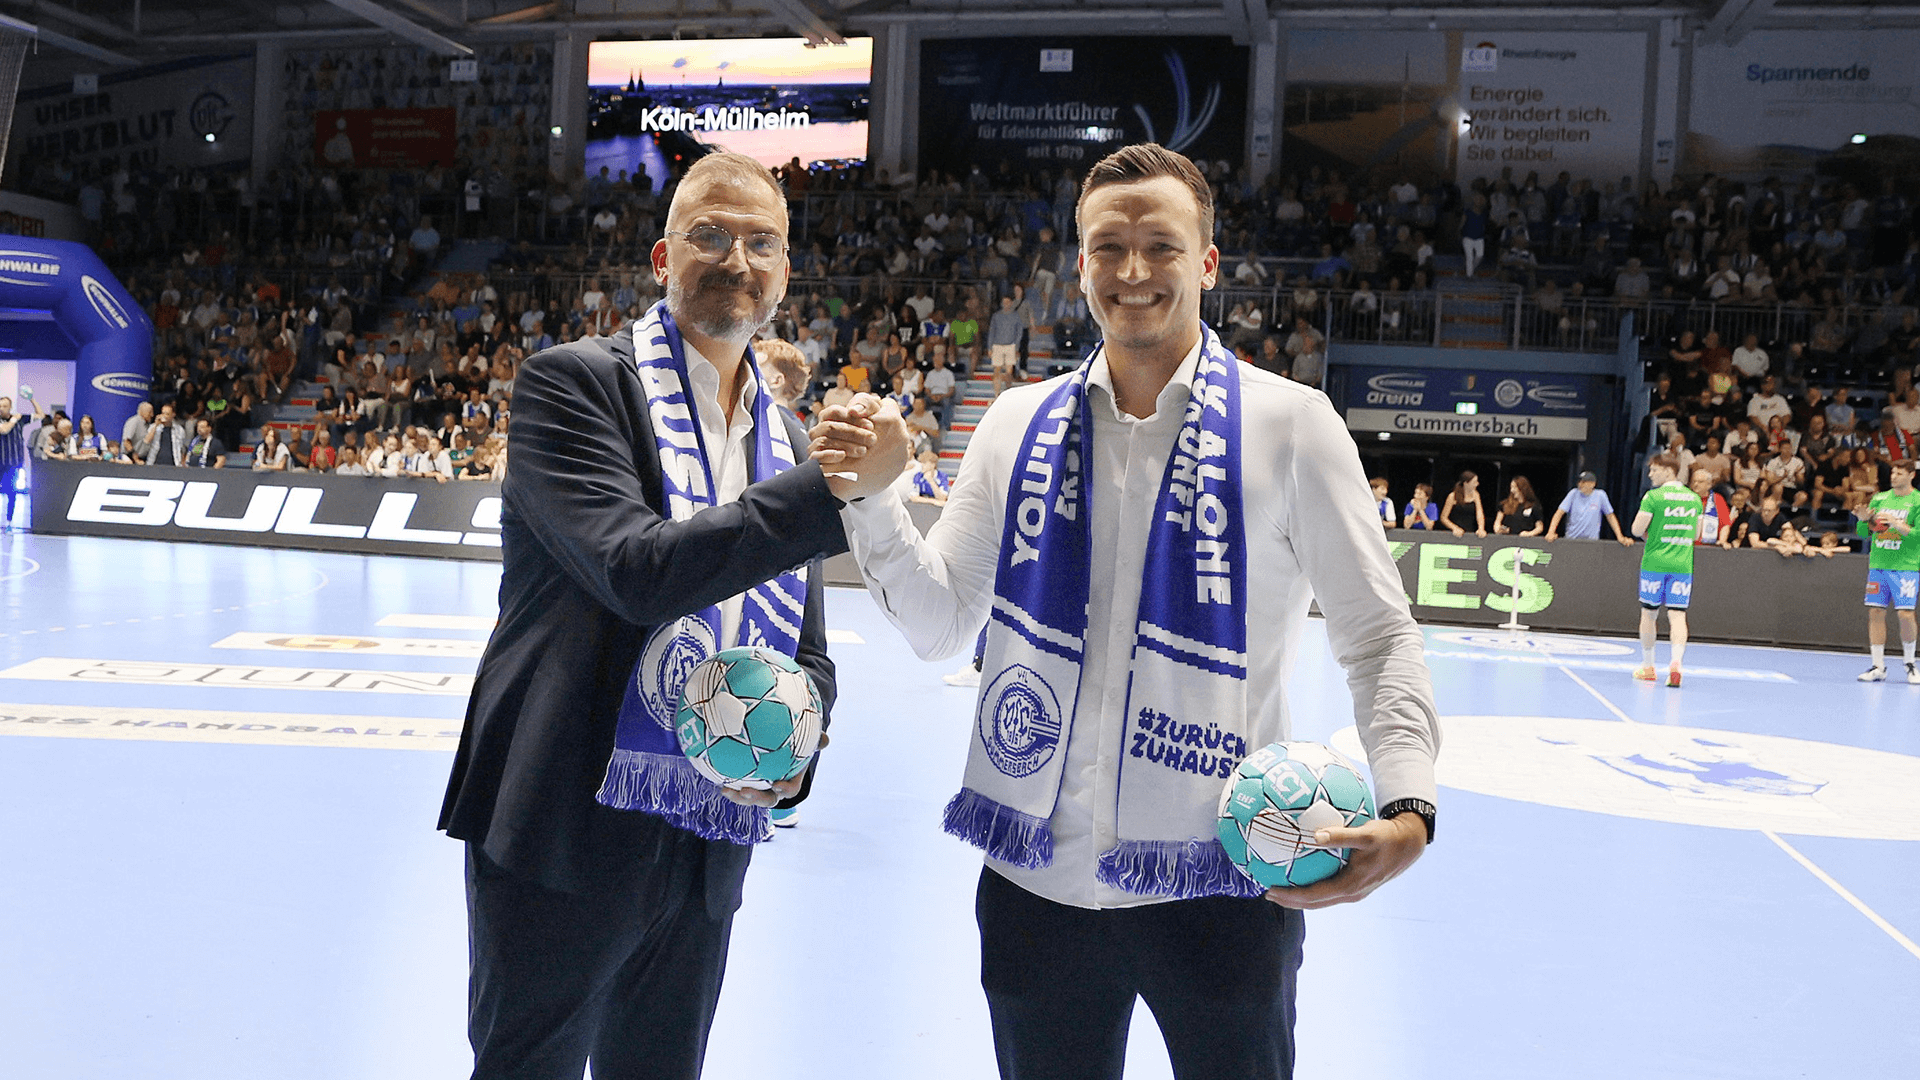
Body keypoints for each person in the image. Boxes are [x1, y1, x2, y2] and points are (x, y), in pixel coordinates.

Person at [809, 143, 1438, 1080]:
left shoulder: (1293, 426)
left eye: (1161, 246)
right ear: (1080, 266)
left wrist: (1410, 806)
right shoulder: (1015, 424)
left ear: (1208, 263)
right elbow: (941, 625)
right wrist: (872, 499)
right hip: (1035, 882)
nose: (1133, 269)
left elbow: (1379, 638)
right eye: (1109, 246)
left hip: (1224, 877)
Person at [438, 152, 856, 1080]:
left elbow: (808, 652)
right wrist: (828, 491)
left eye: (761, 243)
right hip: (564, 821)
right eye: (710, 234)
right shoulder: (573, 385)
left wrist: (792, 755)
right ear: (664, 258)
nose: (736, 258)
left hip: (710, 837)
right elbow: (634, 572)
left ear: (785, 273)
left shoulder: (787, 439)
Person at [1631, 453, 1700, 687]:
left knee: (1649, 614)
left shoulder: (1653, 497)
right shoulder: (1694, 499)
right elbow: (1697, 534)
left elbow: (1636, 529)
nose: (1650, 474)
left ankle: (1648, 666)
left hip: (1655, 563)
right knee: (1678, 615)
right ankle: (1676, 664)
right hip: (1682, 565)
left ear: (1669, 471)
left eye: (1654, 470)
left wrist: (1652, 534)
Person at [1852, 460, 1920, 683]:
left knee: (1905, 614)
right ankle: (1878, 666)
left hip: (1906, 566)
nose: (1893, 476)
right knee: (1875, 612)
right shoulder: (1880, 499)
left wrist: (1897, 524)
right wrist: (1863, 521)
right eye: (1892, 472)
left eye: (1899, 473)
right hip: (1879, 565)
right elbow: (1864, 533)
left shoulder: (1917, 501)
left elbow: (1918, 535)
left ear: (1911, 475)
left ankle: (1910, 664)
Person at [1546, 471, 1632, 544]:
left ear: (1593, 484)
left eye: (1584, 482)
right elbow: (1559, 513)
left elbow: (1610, 516)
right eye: (1579, 482)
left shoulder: (1600, 495)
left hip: (1592, 542)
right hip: (1572, 539)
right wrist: (1551, 532)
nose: (1580, 484)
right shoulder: (1573, 493)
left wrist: (1620, 536)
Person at [1440, 470, 1486, 537]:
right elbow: (1444, 518)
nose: (1477, 484)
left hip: (1469, 532)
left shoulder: (1476, 495)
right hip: (1454, 533)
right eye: (1474, 482)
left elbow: (1479, 513)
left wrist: (1481, 528)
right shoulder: (1452, 496)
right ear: (1466, 483)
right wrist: (1454, 528)